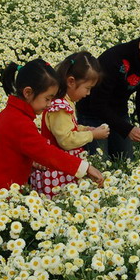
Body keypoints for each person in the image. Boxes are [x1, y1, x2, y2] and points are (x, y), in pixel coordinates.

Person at [0, 59, 103, 208]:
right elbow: (47, 153)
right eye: (47, 98)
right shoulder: (20, 122)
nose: (49, 104)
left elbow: (9, 151)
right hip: (0, 194)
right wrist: (85, 167)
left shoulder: (8, 114)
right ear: (28, 92)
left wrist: (31, 161)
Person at [77, 20, 140, 160]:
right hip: (92, 114)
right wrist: (127, 129)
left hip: (119, 111)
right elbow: (97, 104)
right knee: (99, 162)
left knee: (126, 160)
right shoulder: (113, 60)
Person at [30, 52, 110, 198]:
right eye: (87, 88)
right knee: (60, 201)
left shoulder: (65, 102)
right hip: (57, 169)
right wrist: (92, 135)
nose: (88, 93)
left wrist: (85, 129)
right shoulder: (60, 106)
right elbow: (65, 140)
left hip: (63, 166)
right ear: (71, 81)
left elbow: (67, 128)